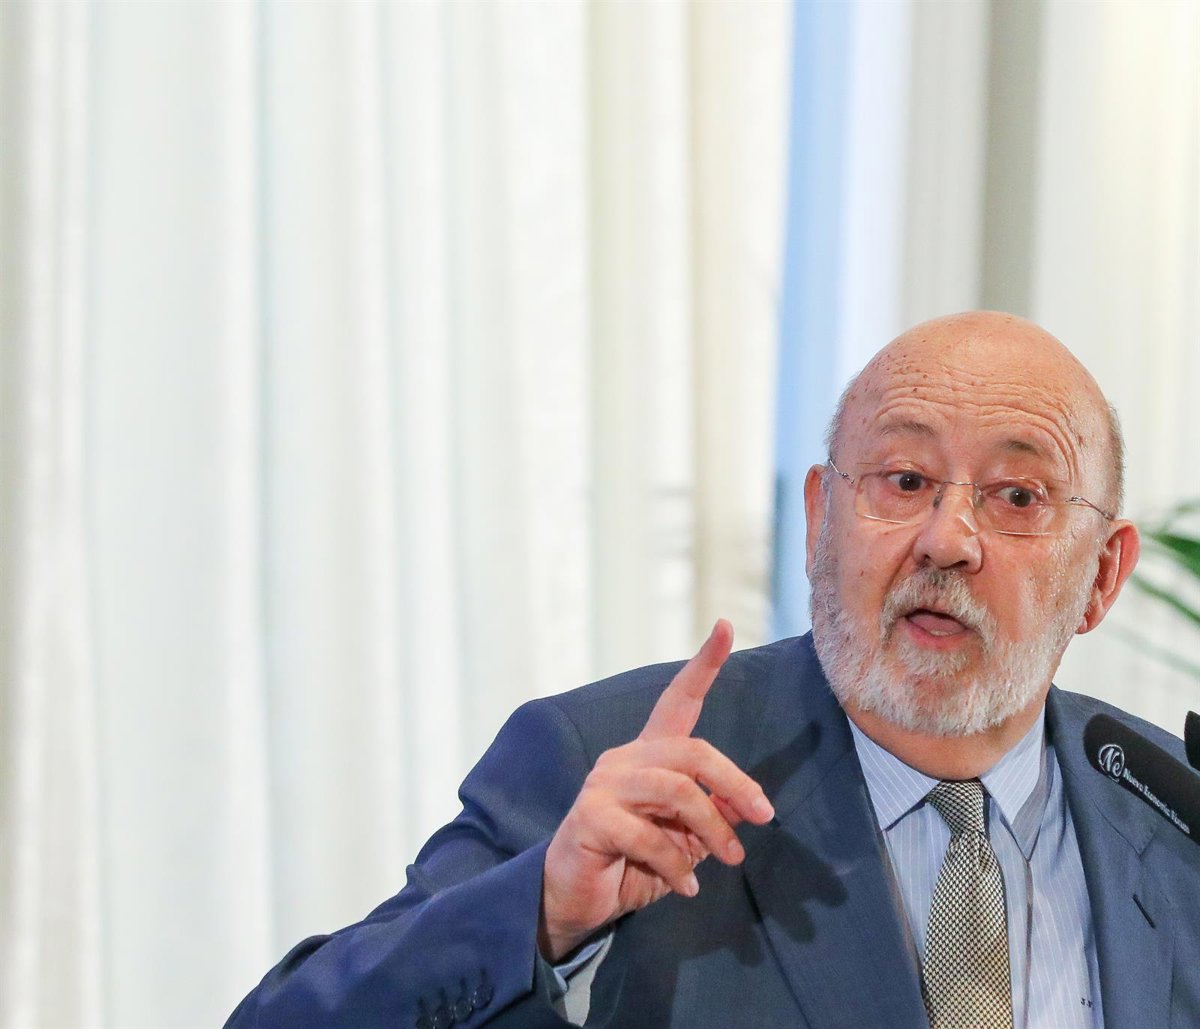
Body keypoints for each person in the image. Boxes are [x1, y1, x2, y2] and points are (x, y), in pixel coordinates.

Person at [226, 312, 1200, 1028]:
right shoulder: (613, 767)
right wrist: (544, 914)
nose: (947, 539)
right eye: (904, 481)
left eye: (1018, 496)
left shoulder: (1172, 815)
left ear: (1102, 576)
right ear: (819, 520)